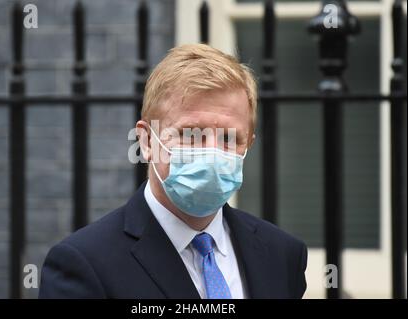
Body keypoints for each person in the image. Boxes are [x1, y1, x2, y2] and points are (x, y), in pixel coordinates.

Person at [39, 43, 307, 299]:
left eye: (229, 138)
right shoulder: (85, 265)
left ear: (248, 143)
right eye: (191, 134)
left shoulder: (282, 256)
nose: (212, 152)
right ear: (146, 141)